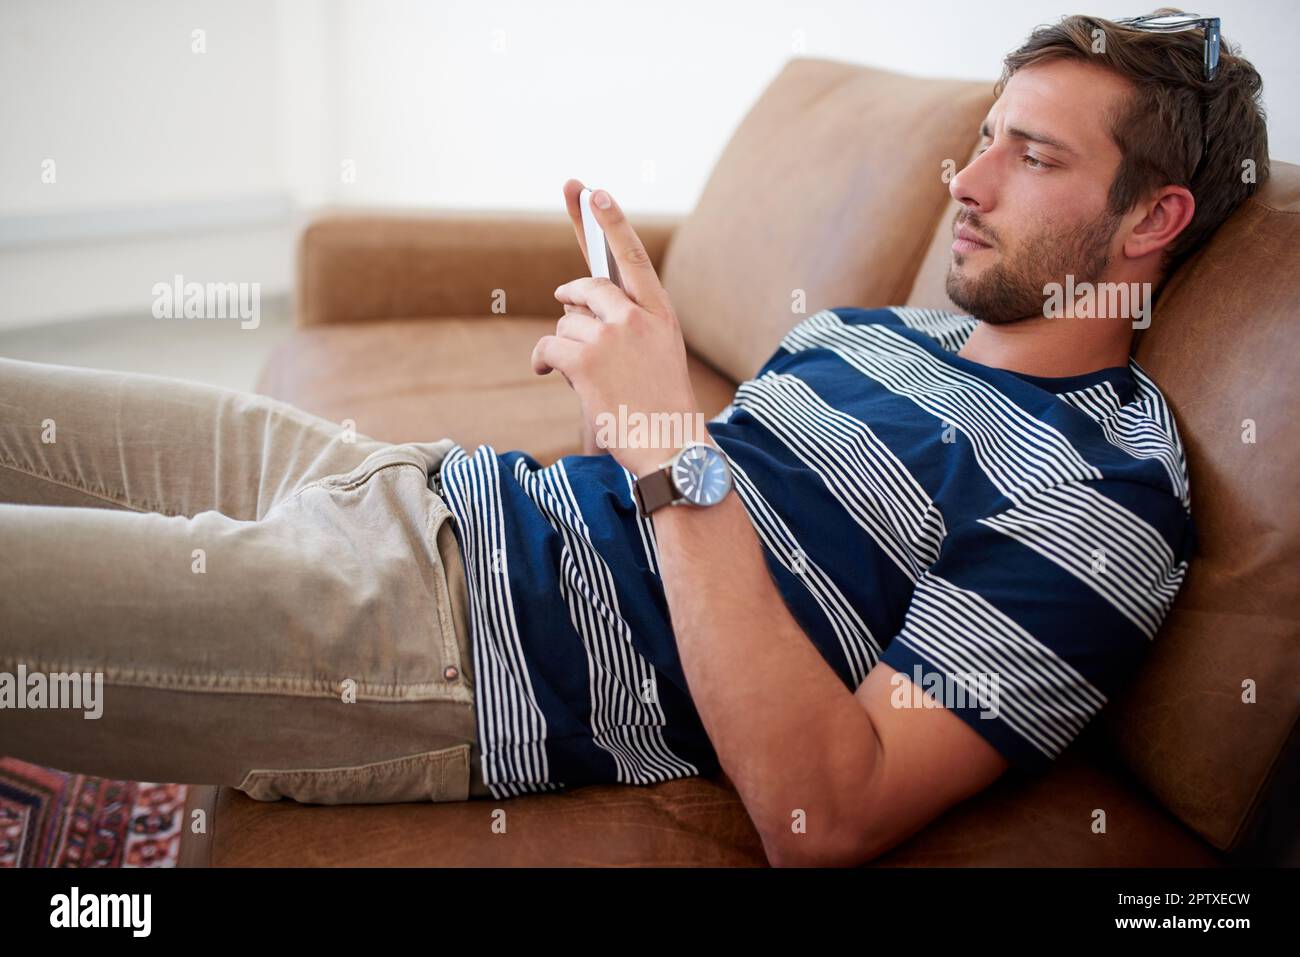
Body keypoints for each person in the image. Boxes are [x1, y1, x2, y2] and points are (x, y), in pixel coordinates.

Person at [0, 12, 1270, 866]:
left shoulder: (1103, 495)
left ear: (1151, 216)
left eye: (1030, 155)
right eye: (981, 136)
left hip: (440, 648)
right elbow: (712, 507)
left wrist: (664, 433)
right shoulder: (881, 334)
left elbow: (818, 810)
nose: (965, 183)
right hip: (416, 490)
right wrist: (639, 393)